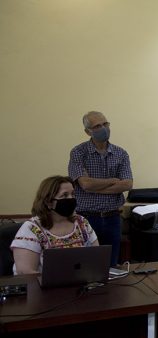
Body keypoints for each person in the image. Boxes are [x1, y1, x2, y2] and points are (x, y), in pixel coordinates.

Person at [68, 111, 133, 266]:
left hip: (113, 218)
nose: (103, 128)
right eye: (97, 126)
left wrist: (92, 187)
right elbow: (85, 184)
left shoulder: (121, 153)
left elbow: (127, 184)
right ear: (87, 131)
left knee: (111, 265)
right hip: (87, 218)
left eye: (105, 124)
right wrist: (112, 181)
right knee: (86, 266)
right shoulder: (78, 152)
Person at [11, 176, 99, 275]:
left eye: (73, 194)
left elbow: (96, 258)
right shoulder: (31, 228)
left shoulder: (82, 222)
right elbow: (25, 272)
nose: (71, 199)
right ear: (48, 202)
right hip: (43, 288)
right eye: (64, 195)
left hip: (80, 284)